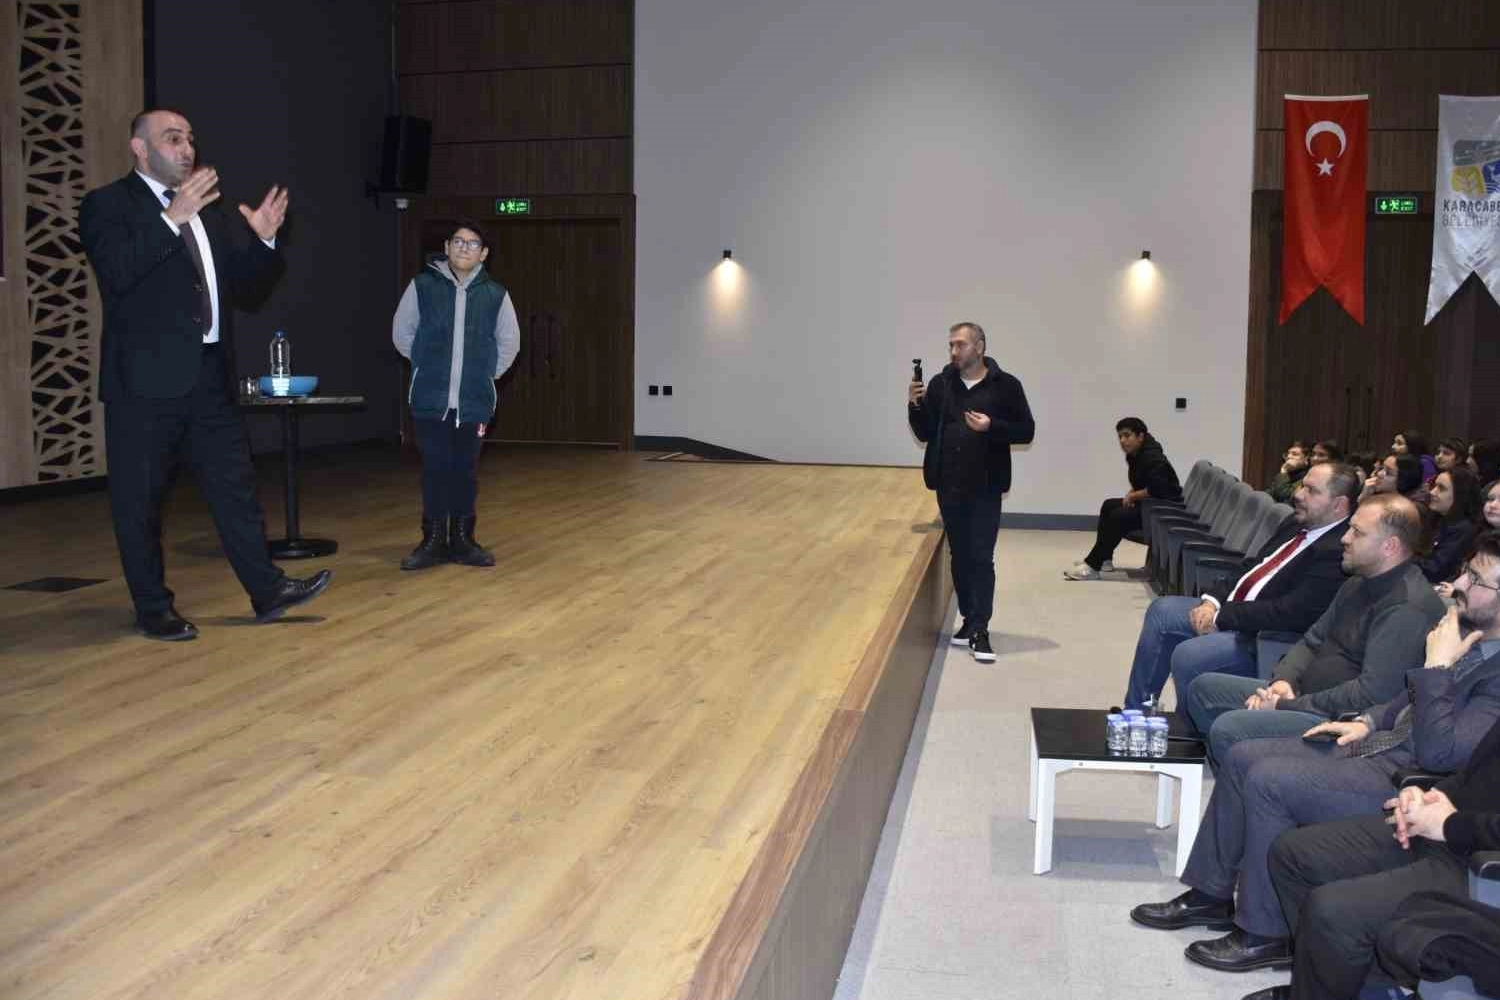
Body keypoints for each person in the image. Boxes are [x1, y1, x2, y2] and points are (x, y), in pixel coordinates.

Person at [1130, 534, 1500, 977]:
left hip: (1411, 778)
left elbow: (1444, 754)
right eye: (1466, 571)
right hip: (1381, 743)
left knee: (1269, 781)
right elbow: (1407, 698)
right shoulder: (1473, 638)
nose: (1458, 584)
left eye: (1476, 578)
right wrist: (1369, 720)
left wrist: (1437, 667)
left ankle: (1264, 934)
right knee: (1244, 757)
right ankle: (1210, 893)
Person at [78, 108, 332, 641]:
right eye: (173, 139)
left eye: (190, 138)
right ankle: (153, 608)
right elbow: (117, 273)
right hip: (144, 382)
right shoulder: (108, 205)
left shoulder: (207, 211)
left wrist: (263, 242)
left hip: (210, 374)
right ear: (140, 148)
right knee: (140, 502)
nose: (187, 148)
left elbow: (246, 292)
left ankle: (267, 590)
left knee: (234, 489)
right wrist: (170, 219)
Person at [1246, 713, 1500, 1000]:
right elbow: (1481, 772)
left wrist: (1450, 825)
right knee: (1292, 854)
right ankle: (1340, 984)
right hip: (1450, 831)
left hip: (1482, 868)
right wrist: (1432, 795)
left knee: (1331, 912)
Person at [1182, 494, 1446, 769]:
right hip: (1303, 696)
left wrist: (1285, 706)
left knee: (1229, 727)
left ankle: (1258, 777)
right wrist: (1284, 680)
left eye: (1357, 532)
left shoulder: (1407, 608)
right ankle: (1245, 773)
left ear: (1390, 546)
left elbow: (1370, 695)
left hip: (1340, 721)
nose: (1345, 538)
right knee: (1203, 689)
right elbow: (1313, 640)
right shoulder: (1357, 583)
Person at [1118, 462, 1356, 710]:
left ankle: (1188, 727)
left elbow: (1290, 613)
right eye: (1302, 486)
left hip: (1263, 637)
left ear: (1338, 505)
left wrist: (1221, 617)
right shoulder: (1295, 524)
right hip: (1236, 612)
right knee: (1162, 611)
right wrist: (1212, 602)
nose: (1298, 494)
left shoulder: (1337, 551)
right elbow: (1251, 566)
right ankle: (1137, 711)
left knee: (1189, 654)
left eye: (1311, 490)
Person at [392, 221, 520, 570]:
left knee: (464, 470)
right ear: (447, 247)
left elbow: (509, 342)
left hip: (474, 402)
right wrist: (427, 365)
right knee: (435, 468)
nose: (465, 247)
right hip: (430, 400)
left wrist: (485, 375)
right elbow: (402, 333)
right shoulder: (422, 286)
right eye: (458, 241)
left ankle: (463, 540)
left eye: (473, 243)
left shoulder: (496, 295)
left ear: (484, 253)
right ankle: (433, 540)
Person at [907, 322, 1035, 662]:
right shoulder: (941, 384)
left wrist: (992, 426)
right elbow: (925, 433)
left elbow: (1026, 430)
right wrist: (915, 405)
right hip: (949, 484)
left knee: (980, 556)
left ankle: (980, 628)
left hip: (986, 487)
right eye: (951, 345)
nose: (954, 351)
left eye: (960, 344)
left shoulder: (1006, 385)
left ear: (979, 347)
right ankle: (968, 619)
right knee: (960, 556)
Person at [1063, 417, 1182, 581]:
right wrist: (1133, 494)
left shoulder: (1153, 457)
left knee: (1118, 516)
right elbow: (1143, 481)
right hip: (1150, 505)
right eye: (1120, 436)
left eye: (1127, 435)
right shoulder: (1136, 454)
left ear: (1140, 436)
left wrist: (1133, 496)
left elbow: (1158, 488)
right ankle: (1105, 558)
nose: (1122, 441)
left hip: (1162, 512)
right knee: (1109, 505)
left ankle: (1092, 565)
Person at [1419, 466, 1482, 584]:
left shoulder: (1463, 529)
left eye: (1441, 488)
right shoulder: (1438, 518)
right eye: (1434, 486)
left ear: (1460, 494)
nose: (1432, 492)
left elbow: (1434, 570)